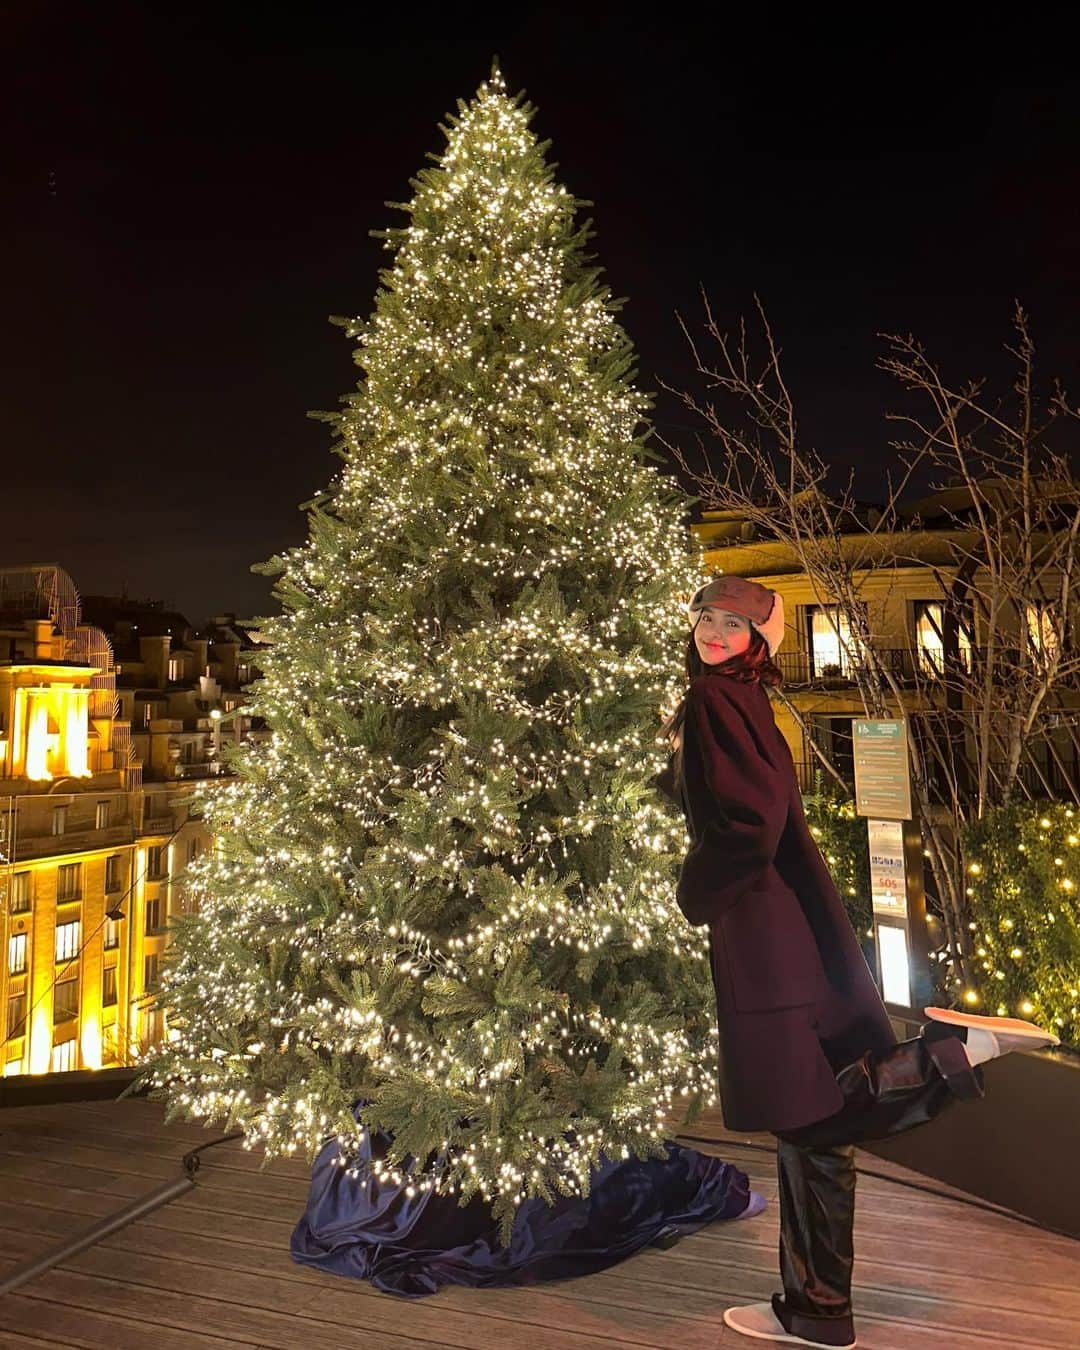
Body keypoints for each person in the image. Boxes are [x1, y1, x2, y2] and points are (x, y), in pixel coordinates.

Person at [662, 575, 1059, 1349]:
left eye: (733, 623)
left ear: (757, 639)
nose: (714, 631)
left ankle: (958, 1051)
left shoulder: (713, 700)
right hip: (788, 930)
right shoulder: (744, 701)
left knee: (811, 1113)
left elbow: (750, 820)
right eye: (707, 617)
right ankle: (819, 1313)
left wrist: (693, 889)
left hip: (759, 932)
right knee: (816, 1128)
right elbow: (754, 798)